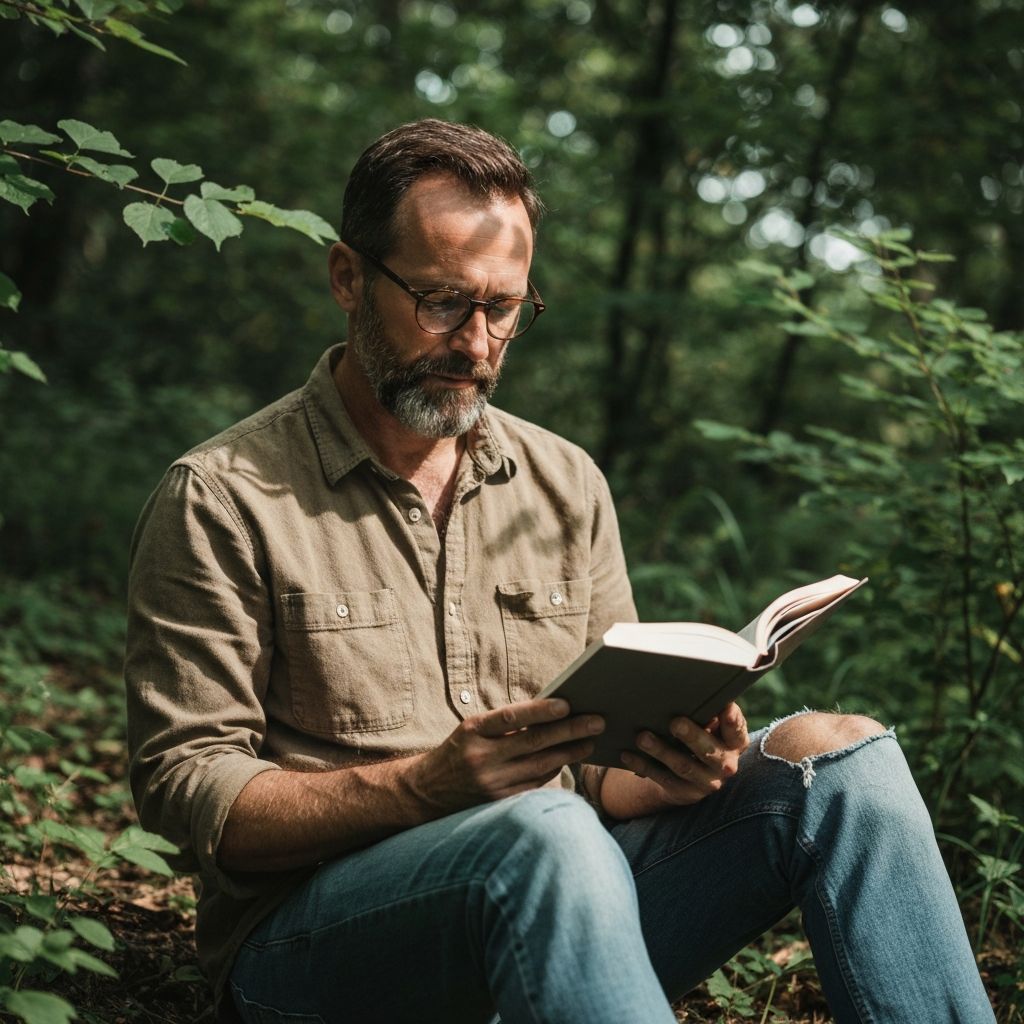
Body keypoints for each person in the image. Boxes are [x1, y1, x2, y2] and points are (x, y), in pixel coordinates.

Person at [125, 118, 995, 1024]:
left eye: (504, 308)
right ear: (348, 278)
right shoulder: (224, 497)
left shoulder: (563, 482)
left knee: (842, 761)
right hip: (316, 954)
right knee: (543, 831)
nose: (476, 342)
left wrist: (669, 763)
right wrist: (425, 788)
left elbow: (594, 777)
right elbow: (190, 790)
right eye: (440, 301)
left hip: (566, 904)